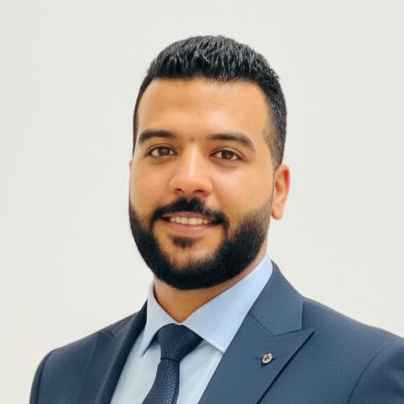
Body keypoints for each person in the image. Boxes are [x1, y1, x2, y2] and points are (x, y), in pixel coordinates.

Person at [30, 35, 404, 404]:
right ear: (132, 173)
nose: (188, 179)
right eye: (161, 150)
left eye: (225, 154)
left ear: (278, 189)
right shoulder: (61, 376)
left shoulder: (365, 373)